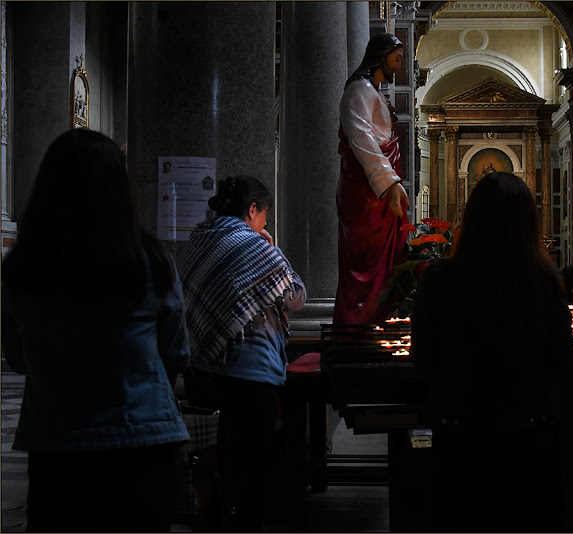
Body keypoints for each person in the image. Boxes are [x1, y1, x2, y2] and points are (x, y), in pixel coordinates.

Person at [1, 129, 191, 532]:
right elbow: (176, 351)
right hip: (144, 440)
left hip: (58, 446)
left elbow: (17, 358)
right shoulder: (151, 261)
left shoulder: (21, 270)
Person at [411, 172, 573, 532]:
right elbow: (560, 359)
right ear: (528, 223)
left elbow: (423, 356)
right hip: (529, 434)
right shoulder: (544, 283)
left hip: (460, 430)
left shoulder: (440, 280)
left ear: (473, 219)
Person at [180, 175, 306, 532]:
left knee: (217, 458)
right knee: (251, 466)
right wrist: (273, 246)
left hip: (204, 369)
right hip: (252, 376)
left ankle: (218, 520)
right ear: (252, 210)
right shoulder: (257, 247)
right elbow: (296, 296)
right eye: (265, 214)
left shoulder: (199, 240)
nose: (266, 222)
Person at [335, 32, 410, 324]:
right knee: (365, 259)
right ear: (382, 55)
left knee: (385, 260)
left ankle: (378, 320)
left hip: (377, 187)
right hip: (366, 191)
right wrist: (389, 183)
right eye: (397, 58)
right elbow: (361, 139)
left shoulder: (373, 91)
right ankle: (357, 326)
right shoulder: (359, 90)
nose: (398, 65)